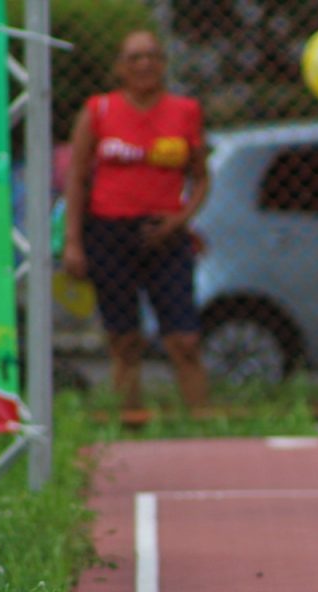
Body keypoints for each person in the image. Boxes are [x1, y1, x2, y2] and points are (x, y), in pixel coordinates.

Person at [63, 30, 210, 414]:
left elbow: (201, 179)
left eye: (152, 56)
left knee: (185, 340)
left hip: (165, 234)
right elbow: (77, 179)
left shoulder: (185, 111)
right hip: (110, 233)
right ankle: (131, 421)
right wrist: (73, 242)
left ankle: (202, 424)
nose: (144, 64)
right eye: (134, 58)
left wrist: (180, 219)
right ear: (119, 67)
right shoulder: (99, 111)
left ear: (163, 64)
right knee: (124, 340)